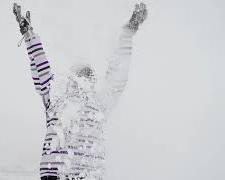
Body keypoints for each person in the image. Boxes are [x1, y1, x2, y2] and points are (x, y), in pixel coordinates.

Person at [12, 3, 148, 180]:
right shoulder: (59, 102)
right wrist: (29, 36)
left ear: (90, 84)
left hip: (83, 175)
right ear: (71, 81)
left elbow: (117, 76)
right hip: (58, 175)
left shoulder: (94, 106)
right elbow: (42, 71)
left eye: (84, 79)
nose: (78, 84)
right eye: (76, 78)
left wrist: (130, 29)